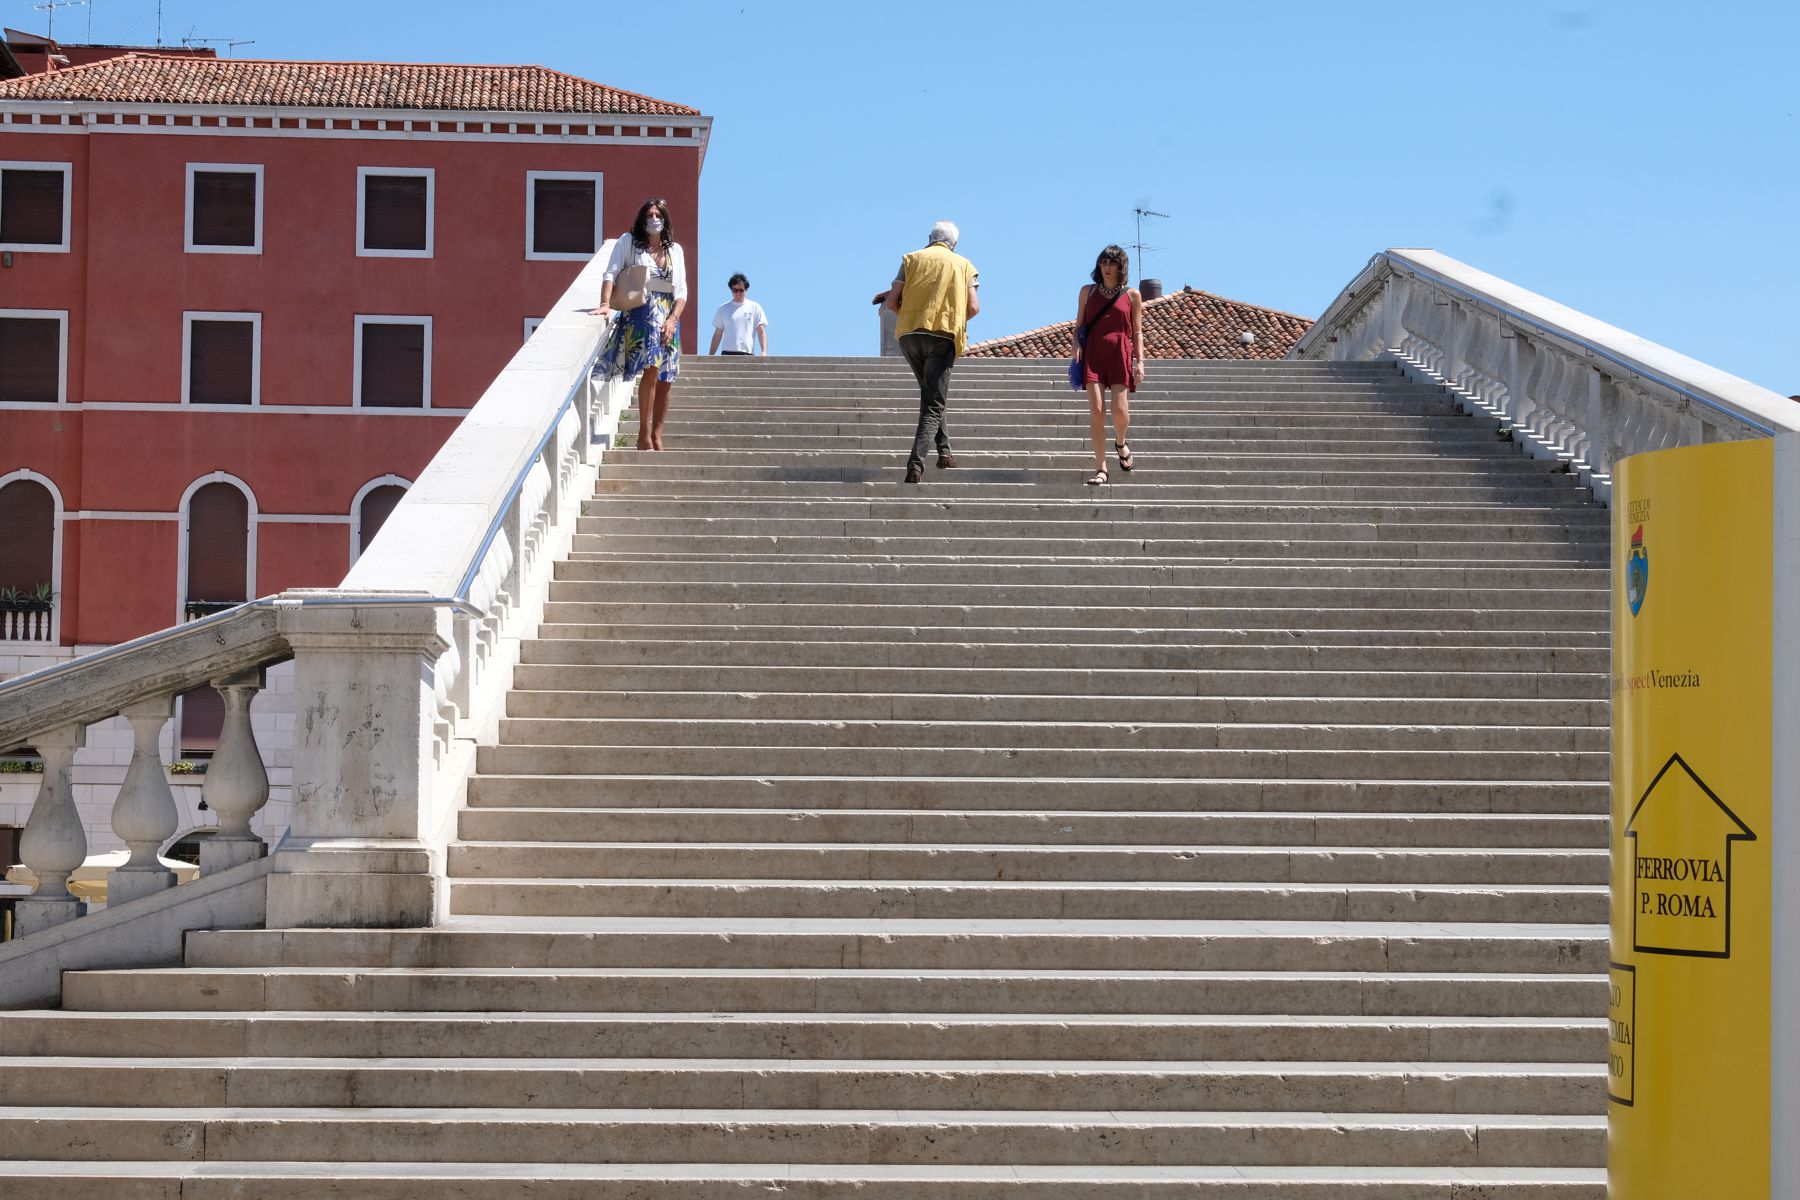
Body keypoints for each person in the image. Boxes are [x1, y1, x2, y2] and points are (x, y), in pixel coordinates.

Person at [886, 220, 980, 483]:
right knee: (933, 404)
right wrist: (950, 319)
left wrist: (909, 317)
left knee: (932, 394)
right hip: (942, 337)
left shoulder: (911, 259)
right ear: (954, 244)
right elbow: (973, 308)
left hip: (909, 336)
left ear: (929, 238)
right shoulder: (964, 265)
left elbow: (892, 301)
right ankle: (915, 465)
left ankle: (945, 452)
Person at [591, 198, 687, 450]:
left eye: (658, 214)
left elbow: (682, 292)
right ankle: (643, 433)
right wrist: (604, 303)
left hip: (668, 315)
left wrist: (673, 319)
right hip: (643, 312)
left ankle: (658, 433)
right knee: (652, 369)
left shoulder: (675, 251)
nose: (654, 219)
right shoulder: (629, 243)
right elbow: (611, 272)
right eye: (650, 214)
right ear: (643, 218)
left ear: (665, 219)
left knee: (667, 377)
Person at [1073, 244, 1145, 485]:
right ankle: (1101, 468)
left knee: (1120, 411)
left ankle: (1121, 442)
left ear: (1120, 266)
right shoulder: (1087, 291)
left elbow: (1137, 332)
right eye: (1103, 262)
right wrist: (1076, 345)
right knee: (1096, 411)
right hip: (1093, 352)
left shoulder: (1132, 295)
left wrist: (1140, 361)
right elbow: (1078, 326)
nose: (1106, 267)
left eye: (1111, 263)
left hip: (1120, 353)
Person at [708, 274, 769, 356]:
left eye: (741, 290)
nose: (738, 293)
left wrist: (764, 351)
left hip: (747, 353)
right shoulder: (723, 309)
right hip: (727, 353)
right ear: (731, 290)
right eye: (735, 290)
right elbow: (718, 334)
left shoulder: (755, 307)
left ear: (746, 290)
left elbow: (761, 332)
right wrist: (711, 355)